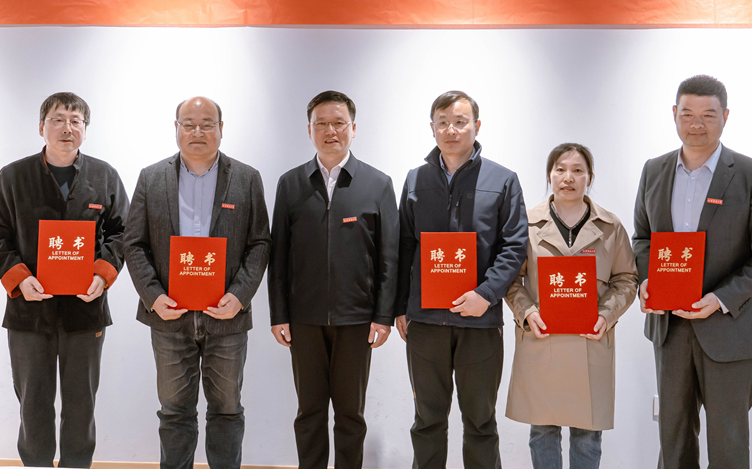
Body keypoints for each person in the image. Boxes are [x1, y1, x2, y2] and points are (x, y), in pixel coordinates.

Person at [633, 75, 752, 468]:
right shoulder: (654, 170)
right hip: (670, 328)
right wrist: (646, 281)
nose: (696, 124)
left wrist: (721, 298)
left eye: (708, 115)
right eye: (687, 114)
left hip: (730, 328)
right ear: (674, 114)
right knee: (674, 438)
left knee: (728, 442)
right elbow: (642, 238)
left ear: (725, 116)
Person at [0, 92, 129, 468]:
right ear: (41, 127)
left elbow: (122, 232)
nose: (67, 128)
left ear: (85, 129)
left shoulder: (105, 176)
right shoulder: (14, 176)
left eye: (75, 121)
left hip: (85, 308)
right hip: (29, 311)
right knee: (33, 403)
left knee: (81, 403)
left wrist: (102, 275)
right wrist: (19, 279)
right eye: (58, 119)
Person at [124, 96, 270, 469]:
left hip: (227, 317)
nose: (198, 131)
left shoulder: (246, 178)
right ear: (176, 128)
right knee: (174, 411)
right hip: (169, 316)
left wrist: (239, 296)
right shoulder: (151, 178)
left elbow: (260, 243)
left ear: (221, 129)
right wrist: (153, 297)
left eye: (207, 124)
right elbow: (134, 243)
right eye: (189, 124)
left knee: (227, 409)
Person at [396, 90, 528, 469]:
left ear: (476, 126)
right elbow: (404, 246)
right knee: (427, 421)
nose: (451, 130)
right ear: (432, 128)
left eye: (459, 122)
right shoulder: (416, 179)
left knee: (481, 423)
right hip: (425, 322)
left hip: (480, 323)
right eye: (443, 123)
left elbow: (514, 245)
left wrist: (486, 294)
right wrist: (401, 307)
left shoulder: (503, 180)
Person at [268, 90, 398, 469]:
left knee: (350, 415)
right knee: (309, 413)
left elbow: (389, 256)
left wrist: (384, 316)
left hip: (357, 320)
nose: (330, 131)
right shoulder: (291, 183)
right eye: (321, 123)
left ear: (353, 129)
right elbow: (279, 255)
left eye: (339, 123)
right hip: (303, 319)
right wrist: (279, 314)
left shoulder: (378, 184)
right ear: (309, 130)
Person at [504, 143, 637, 469]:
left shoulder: (610, 227)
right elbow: (510, 280)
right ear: (549, 175)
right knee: (542, 430)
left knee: (587, 435)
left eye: (578, 171)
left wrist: (606, 315)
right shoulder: (526, 224)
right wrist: (527, 313)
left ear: (589, 177)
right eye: (560, 169)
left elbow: (627, 279)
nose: (568, 178)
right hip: (542, 339)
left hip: (590, 340)